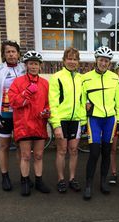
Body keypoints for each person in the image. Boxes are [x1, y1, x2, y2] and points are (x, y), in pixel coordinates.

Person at [81, 46, 119, 200]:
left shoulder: (114, 77)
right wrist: (82, 120)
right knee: (94, 153)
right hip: (94, 119)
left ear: (109, 63)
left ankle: (103, 182)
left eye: (106, 61)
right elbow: (82, 101)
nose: (103, 63)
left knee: (106, 151)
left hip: (110, 119)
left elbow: (117, 100)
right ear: (96, 60)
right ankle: (88, 185)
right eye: (101, 60)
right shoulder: (85, 78)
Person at [0, 40, 25, 191]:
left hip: (21, 116)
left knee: (22, 147)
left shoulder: (24, 69)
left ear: (18, 54)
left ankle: (24, 177)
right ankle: (5, 177)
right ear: (4, 54)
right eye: (8, 52)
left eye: (13, 51)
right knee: (4, 146)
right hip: (4, 116)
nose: (11, 54)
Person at [8, 51, 50, 196]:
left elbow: (48, 104)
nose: (33, 66)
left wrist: (47, 111)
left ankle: (39, 181)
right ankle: (25, 181)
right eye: (31, 63)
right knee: (25, 156)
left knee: (38, 155)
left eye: (36, 64)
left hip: (39, 124)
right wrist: (26, 92)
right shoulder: (18, 82)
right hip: (23, 124)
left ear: (40, 66)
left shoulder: (45, 83)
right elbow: (13, 102)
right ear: (26, 65)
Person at [49, 47, 86, 193]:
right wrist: (56, 125)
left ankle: (72, 178)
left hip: (76, 121)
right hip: (61, 120)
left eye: (75, 59)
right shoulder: (56, 77)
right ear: (64, 60)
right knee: (62, 150)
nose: (72, 62)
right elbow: (53, 103)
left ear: (78, 62)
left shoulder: (81, 78)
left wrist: (83, 122)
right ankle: (60, 179)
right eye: (69, 59)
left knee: (74, 150)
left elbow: (83, 102)